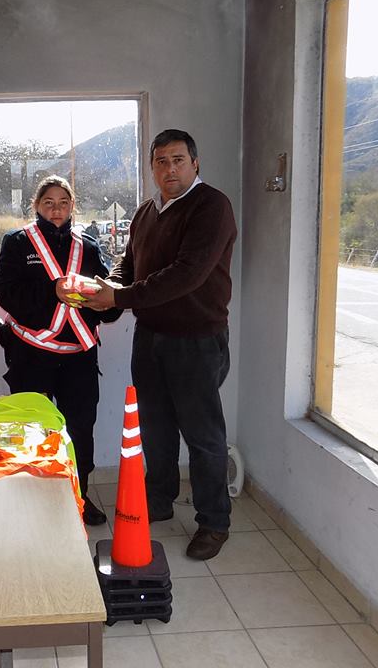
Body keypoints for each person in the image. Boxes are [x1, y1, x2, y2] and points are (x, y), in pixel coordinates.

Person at [81, 130, 237, 559]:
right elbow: (129, 266)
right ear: (152, 167)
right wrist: (104, 291)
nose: (170, 169)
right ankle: (160, 498)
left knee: (203, 436)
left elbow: (187, 274)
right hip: (149, 337)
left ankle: (214, 522)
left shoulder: (212, 206)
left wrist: (119, 298)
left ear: (195, 163)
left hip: (197, 340)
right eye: (161, 161)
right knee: (155, 427)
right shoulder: (147, 212)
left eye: (178, 160)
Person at [0, 176, 121, 525]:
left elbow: (106, 296)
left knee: (80, 429)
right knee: (30, 428)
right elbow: (6, 293)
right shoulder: (18, 242)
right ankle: (31, 501)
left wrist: (108, 303)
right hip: (31, 355)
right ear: (36, 205)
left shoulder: (88, 247)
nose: (56, 209)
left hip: (79, 357)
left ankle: (79, 497)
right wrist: (53, 291)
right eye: (48, 202)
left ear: (72, 206)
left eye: (64, 202)